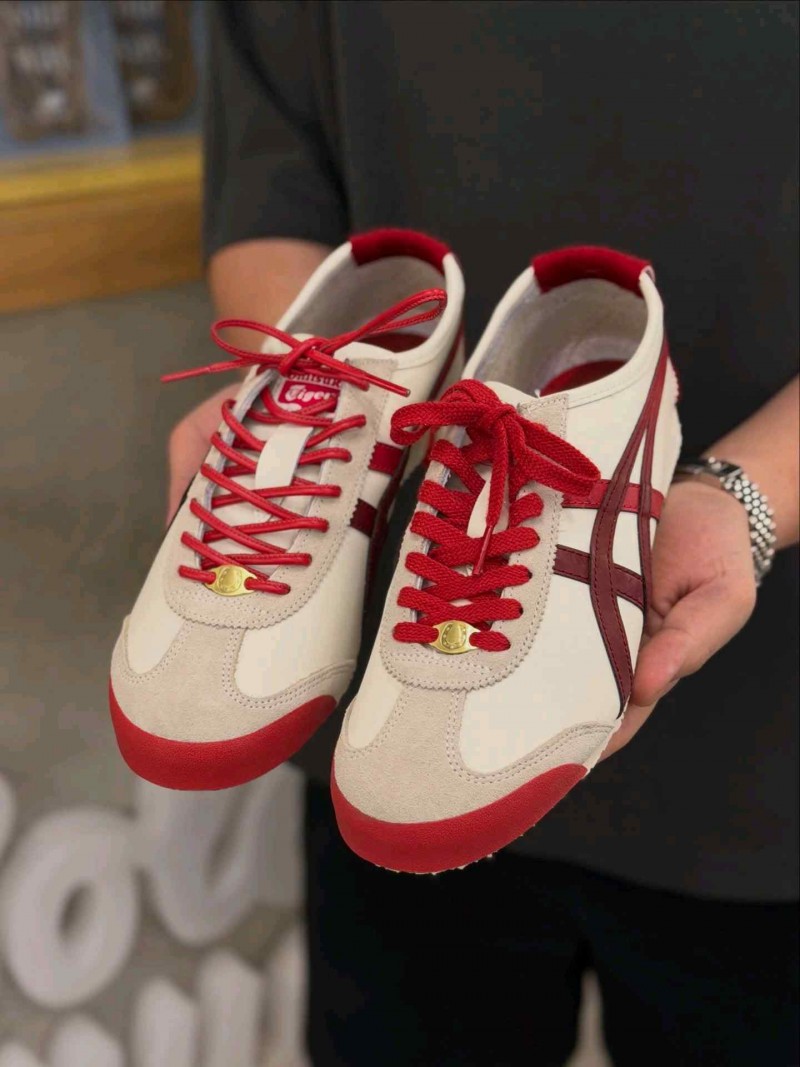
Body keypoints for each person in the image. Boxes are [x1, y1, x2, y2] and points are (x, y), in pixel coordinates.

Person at [169, 4, 799, 1064]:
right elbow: (272, 186)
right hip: (385, 679)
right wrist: (309, 409)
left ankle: (610, 422)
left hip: (767, 746)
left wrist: (746, 490)